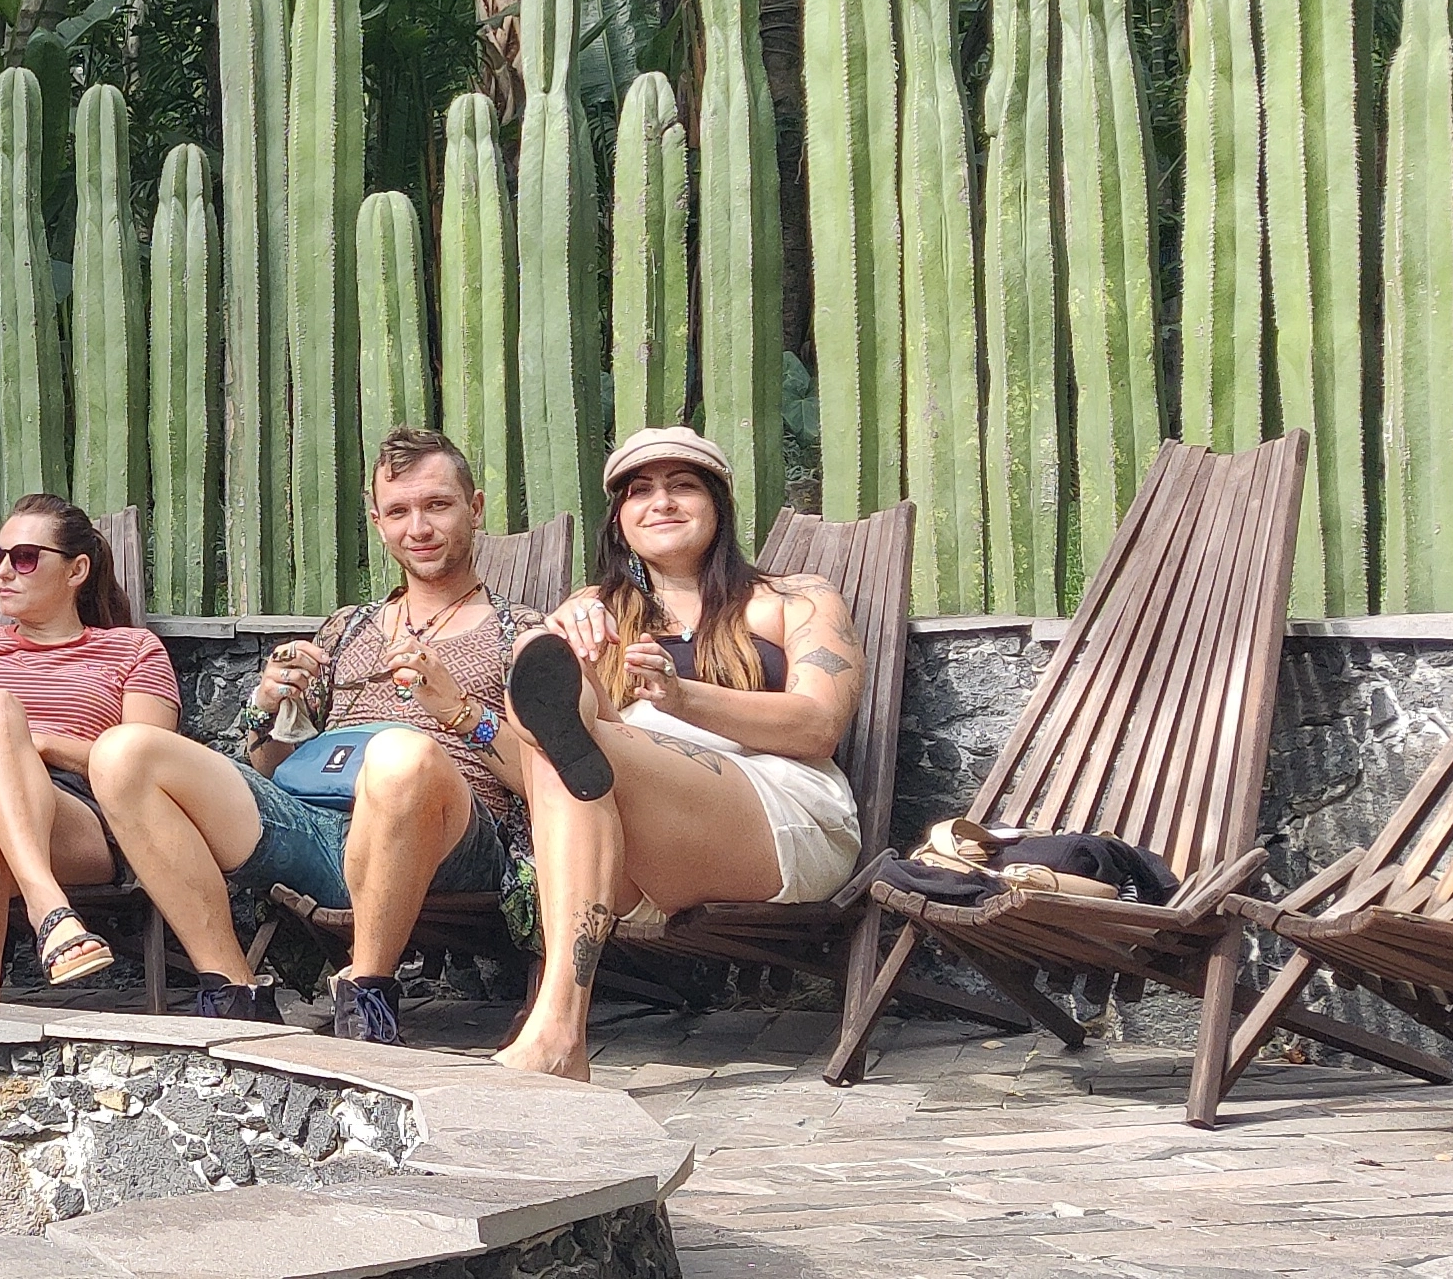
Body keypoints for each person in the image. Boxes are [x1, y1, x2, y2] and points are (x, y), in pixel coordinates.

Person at [83, 429, 543, 1032]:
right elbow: (273, 766)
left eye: (437, 505)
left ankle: (368, 992)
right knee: (123, 752)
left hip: (451, 837)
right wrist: (269, 705)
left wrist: (458, 710)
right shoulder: (347, 629)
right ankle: (233, 990)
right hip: (317, 828)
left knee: (401, 756)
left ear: (474, 508)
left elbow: (546, 782)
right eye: (399, 512)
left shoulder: (521, 634)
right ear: (377, 522)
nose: (419, 528)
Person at [495, 427, 866, 1080]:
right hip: (632, 836)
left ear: (718, 503)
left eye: (682, 486)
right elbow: (527, 760)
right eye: (640, 491)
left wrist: (680, 696)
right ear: (620, 517)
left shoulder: (795, 599)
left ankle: (556, 1033)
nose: (660, 502)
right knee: (560, 728)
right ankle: (559, 1036)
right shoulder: (591, 610)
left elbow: (818, 727)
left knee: (577, 743)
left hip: (782, 813)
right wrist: (563, 653)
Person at [0, 494, 180, 1000]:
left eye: (24, 558)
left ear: (76, 570)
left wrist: (35, 746)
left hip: (73, 823)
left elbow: (150, 765)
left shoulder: (133, 649)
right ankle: (47, 906)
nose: (3, 572)